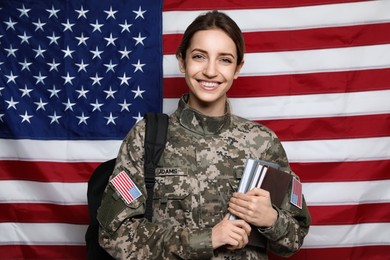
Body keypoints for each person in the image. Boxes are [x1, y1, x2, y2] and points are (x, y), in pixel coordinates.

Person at [97, 10, 311, 259]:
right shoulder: (146, 137)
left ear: (238, 68)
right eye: (199, 56)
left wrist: (271, 219)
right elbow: (114, 235)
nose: (210, 71)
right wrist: (208, 238)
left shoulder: (263, 143)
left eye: (225, 60)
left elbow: (295, 238)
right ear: (181, 61)